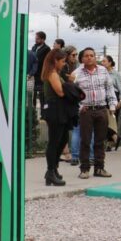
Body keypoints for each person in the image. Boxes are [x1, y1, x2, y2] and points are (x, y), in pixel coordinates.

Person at [73, 48, 118, 179]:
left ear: (95, 57)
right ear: (82, 59)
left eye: (91, 55)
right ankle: (84, 169)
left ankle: (99, 168)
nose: (89, 58)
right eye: (86, 56)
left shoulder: (103, 70)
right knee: (85, 141)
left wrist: (112, 105)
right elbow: (72, 92)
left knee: (100, 141)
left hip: (101, 109)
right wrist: (80, 106)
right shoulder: (77, 73)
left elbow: (109, 88)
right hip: (86, 110)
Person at [41, 49, 77, 186]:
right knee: (54, 141)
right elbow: (60, 92)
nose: (63, 64)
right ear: (55, 60)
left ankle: (53, 169)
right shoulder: (52, 73)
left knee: (62, 139)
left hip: (59, 109)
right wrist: (71, 86)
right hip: (55, 109)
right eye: (62, 61)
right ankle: (51, 172)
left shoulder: (56, 73)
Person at [101, 55, 121, 151]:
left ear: (110, 62)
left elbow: (120, 88)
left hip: (114, 97)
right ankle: (115, 137)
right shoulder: (100, 73)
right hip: (103, 98)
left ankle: (110, 144)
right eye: (102, 61)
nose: (102, 63)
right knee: (104, 121)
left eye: (104, 61)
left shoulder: (115, 74)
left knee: (113, 121)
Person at [32, 31, 51, 105]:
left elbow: (47, 62)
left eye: (38, 39)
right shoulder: (34, 47)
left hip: (41, 74)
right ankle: (33, 109)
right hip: (33, 73)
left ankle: (43, 110)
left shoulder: (47, 48)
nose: (36, 40)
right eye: (35, 38)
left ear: (43, 39)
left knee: (41, 94)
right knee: (33, 92)